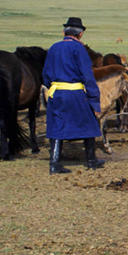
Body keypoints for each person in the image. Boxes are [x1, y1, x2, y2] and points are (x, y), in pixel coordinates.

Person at [43, 17, 105, 174]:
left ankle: (54, 164)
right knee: (89, 122)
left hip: (56, 93)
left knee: (57, 125)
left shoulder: (53, 48)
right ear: (81, 34)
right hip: (75, 93)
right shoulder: (79, 49)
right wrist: (94, 101)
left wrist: (54, 88)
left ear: (64, 32)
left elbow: (45, 75)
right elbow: (87, 76)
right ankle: (91, 161)